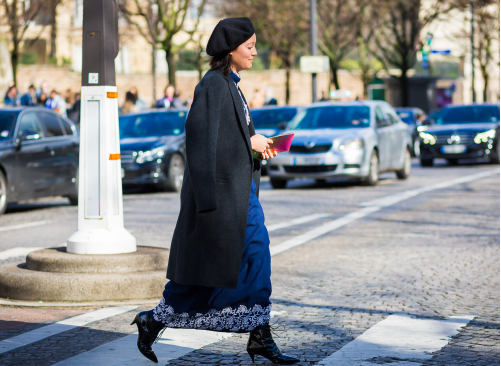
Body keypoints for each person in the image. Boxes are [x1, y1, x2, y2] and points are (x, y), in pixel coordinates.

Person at [131, 17, 300, 365]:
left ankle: (257, 334)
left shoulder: (231, 85)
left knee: (247, 261)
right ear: (230, 49)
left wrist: (257, 146)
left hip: (240, 194)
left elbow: (230, 141)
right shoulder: (212, 85)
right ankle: (157, 320)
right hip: (222, 199)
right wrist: (208, 204)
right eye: (249, 46)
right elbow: (201, 144)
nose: (255, 52)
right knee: (216, 269)